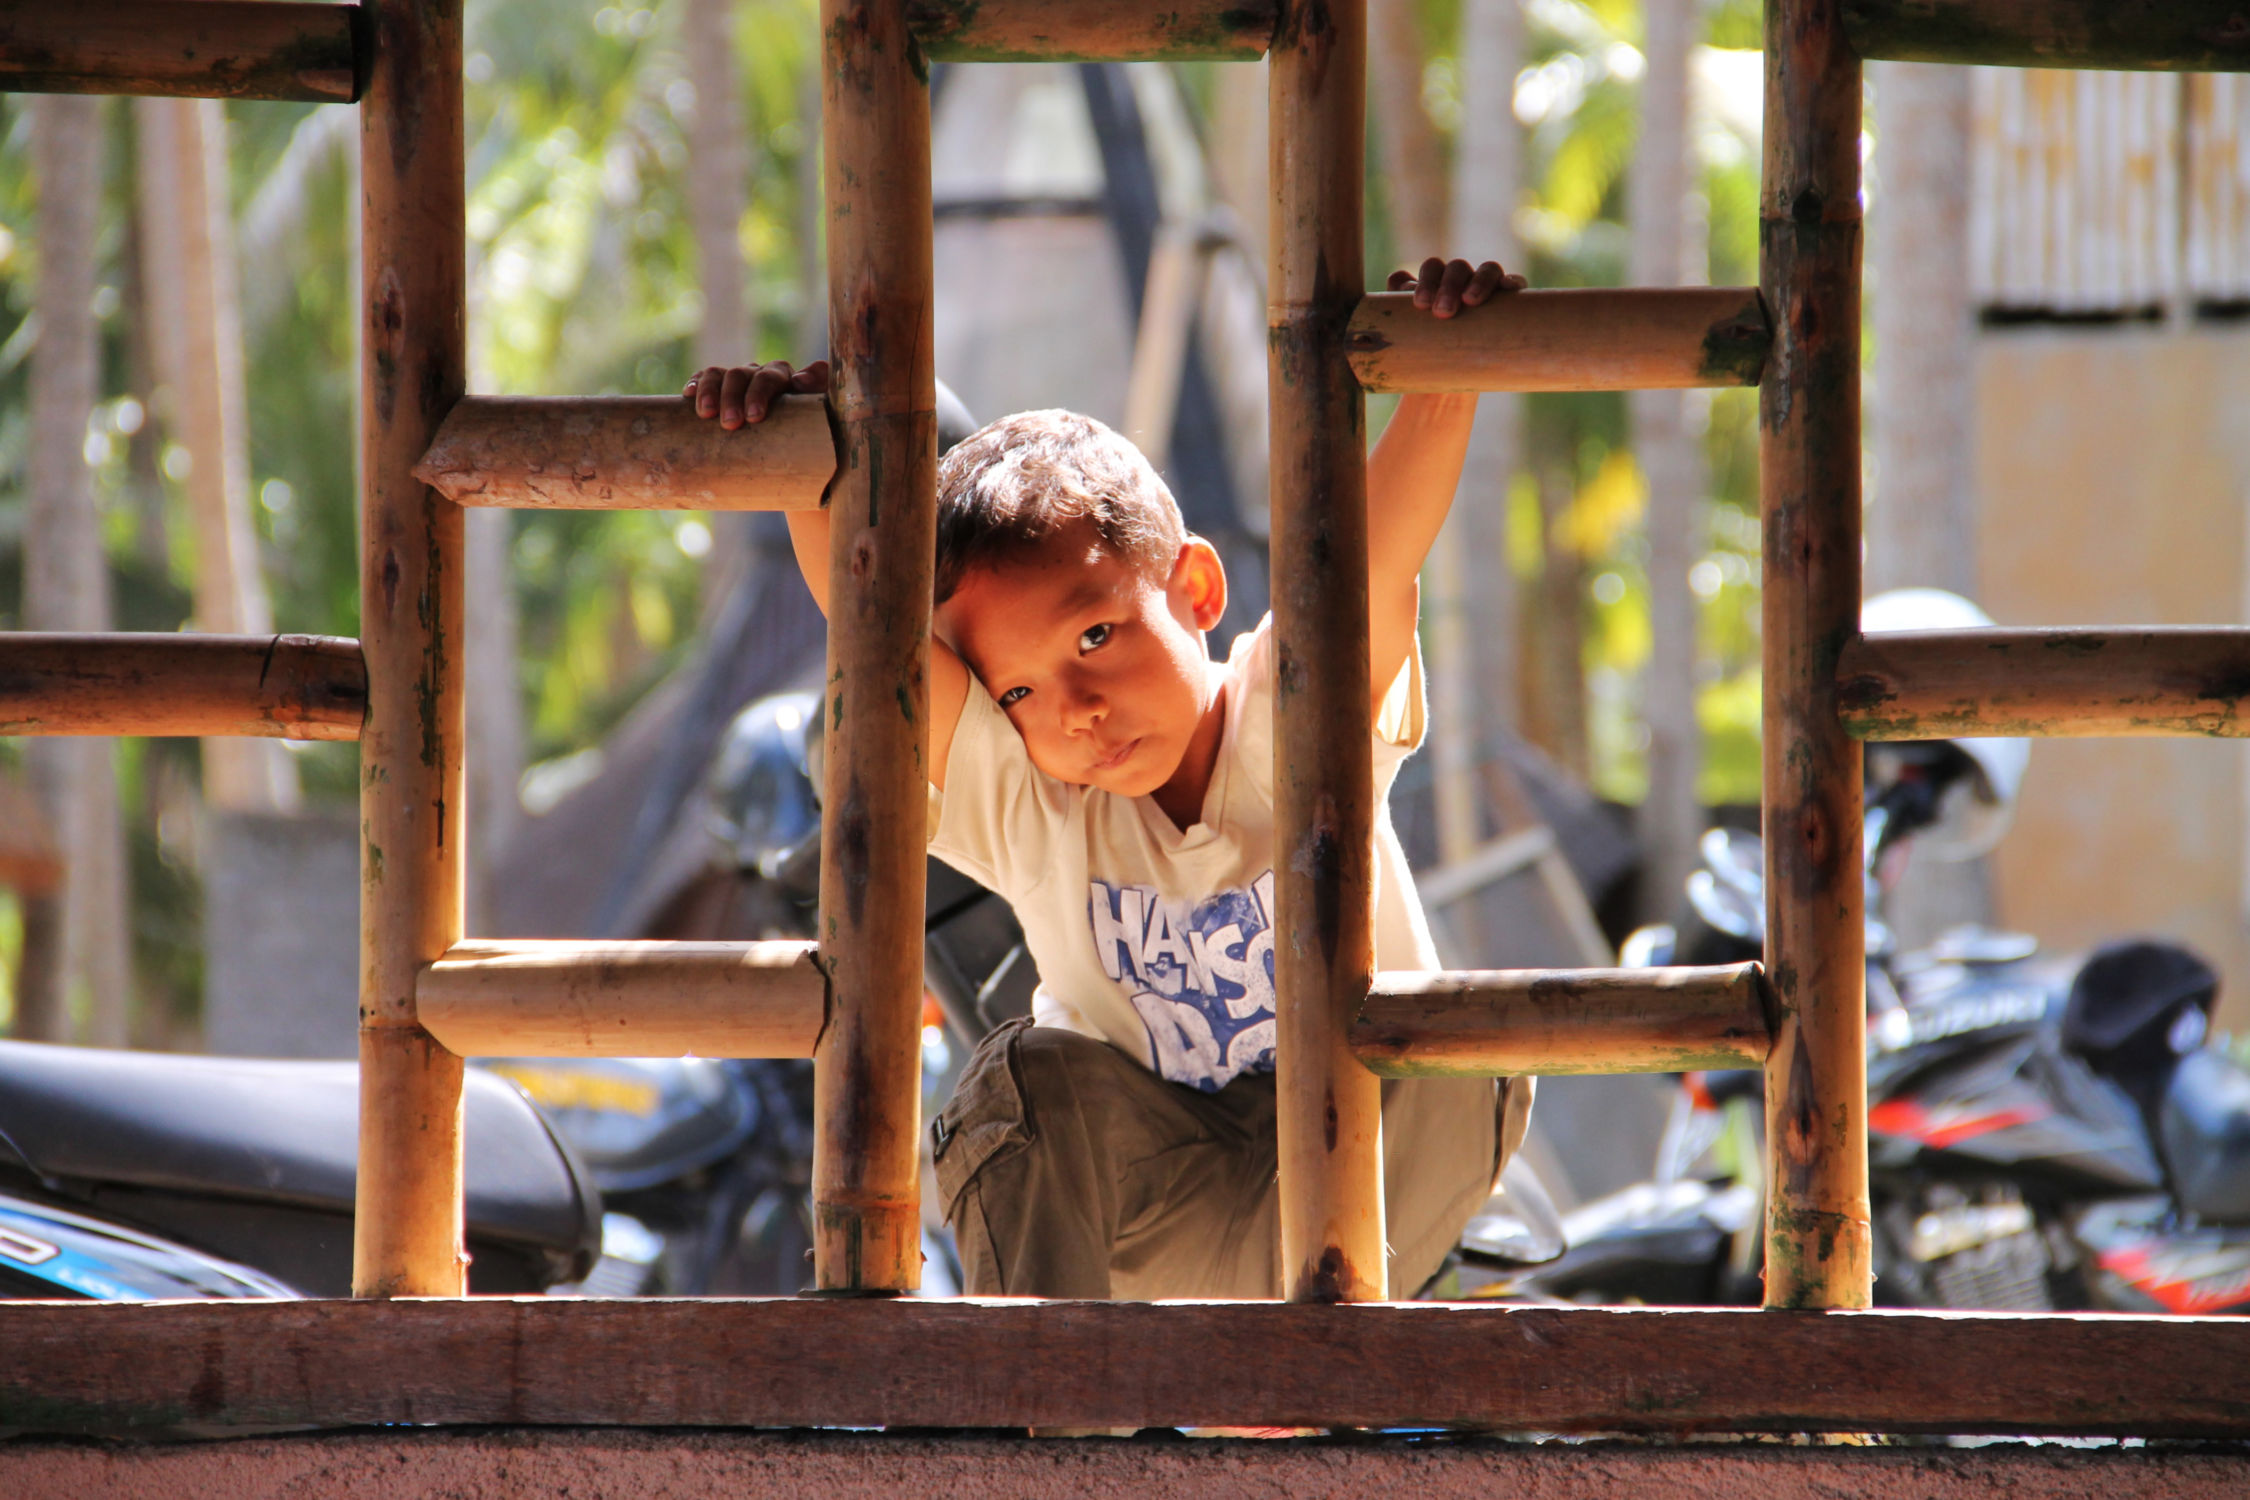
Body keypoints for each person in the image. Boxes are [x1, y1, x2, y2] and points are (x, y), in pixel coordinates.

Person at [686, 257, 1532, 1300]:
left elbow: (1369, 564)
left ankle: (1303, 1361)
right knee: (1015, 1079)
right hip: (1169, 1193)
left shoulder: (1292, 725)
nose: (1074, 710)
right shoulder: (1032, 808)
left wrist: (1447, 376)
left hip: (1374, 1169)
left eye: (1095, 634)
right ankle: (1053, 1428)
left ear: (1196, 588)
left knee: (1471, 1043)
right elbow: (874, 645)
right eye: (1020, 694)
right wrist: (798, 473)